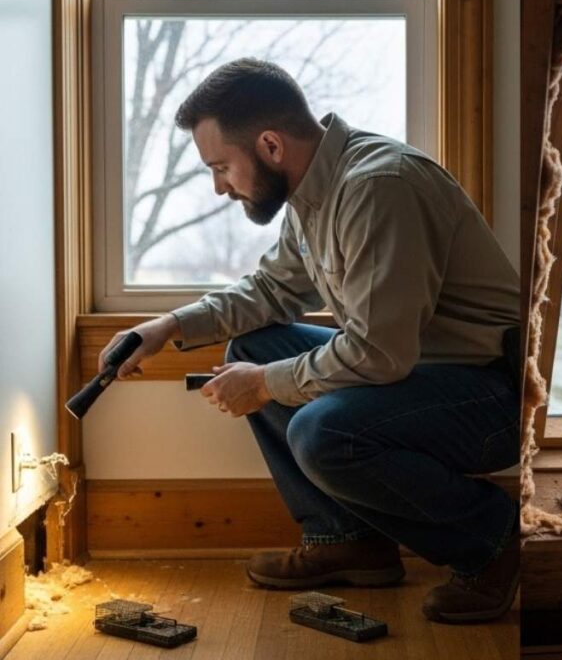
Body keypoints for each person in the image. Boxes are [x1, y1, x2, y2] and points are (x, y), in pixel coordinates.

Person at [98, 58, 521, 623]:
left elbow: (379, 354)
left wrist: (268, 386)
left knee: (323, 431)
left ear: (270, 145)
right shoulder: (311, 191)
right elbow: (272, 290)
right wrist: (167, 326)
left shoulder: (378, 188)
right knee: (251, 347)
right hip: (423, 375)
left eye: (221, 166)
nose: (219, 187)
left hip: (492, 395)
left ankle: (493, 542)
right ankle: (349, 540)